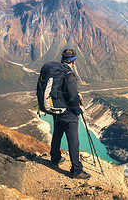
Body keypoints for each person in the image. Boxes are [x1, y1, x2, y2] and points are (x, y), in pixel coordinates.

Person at [50, 49, 91, 179]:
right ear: (73, 61)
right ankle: (76, 170)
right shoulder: (69, 74)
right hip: (68, 113)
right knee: (74, 141)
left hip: (56, 109)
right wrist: (79, 110)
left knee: (57, 135)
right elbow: (73, 97)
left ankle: (55, 159)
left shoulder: (57, 71)